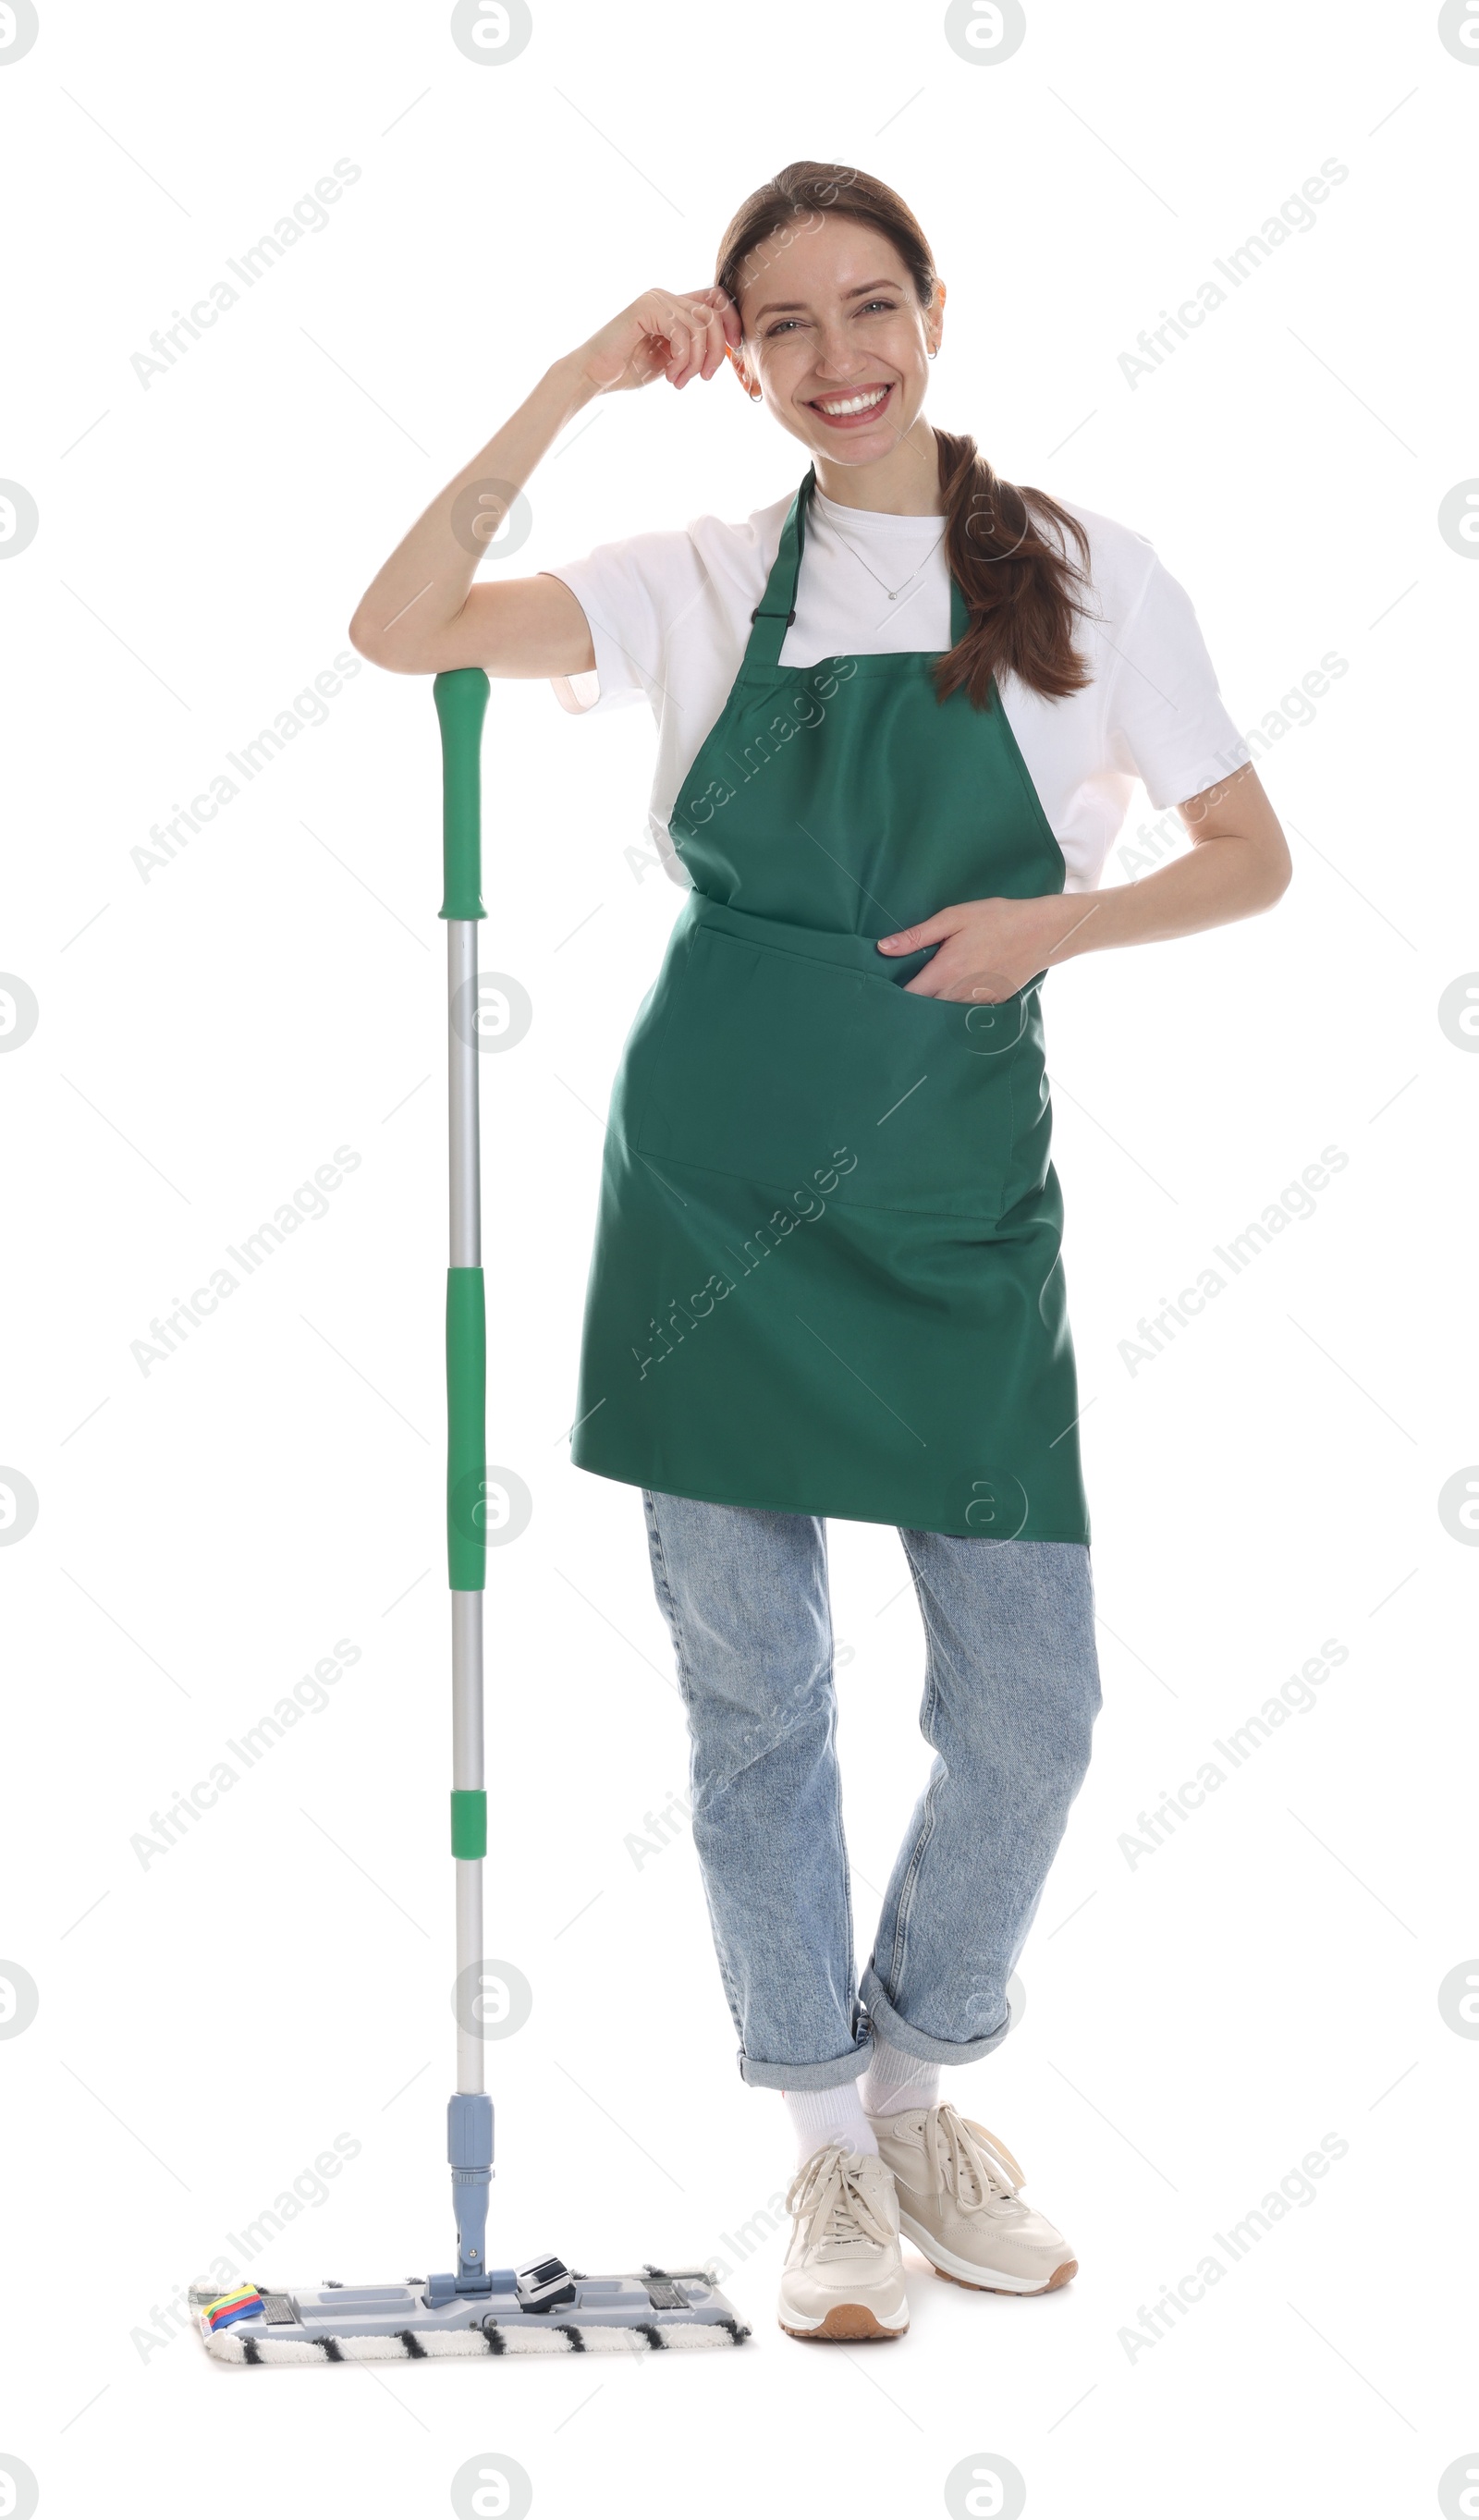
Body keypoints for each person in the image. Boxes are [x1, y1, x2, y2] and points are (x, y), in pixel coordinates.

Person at [350, 162, 1290, 2345]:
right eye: (784, 327)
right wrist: (576, 379)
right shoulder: (691, 578)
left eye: (872, 309)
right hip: (708, 1191)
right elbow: (403, 628)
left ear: (936, 312)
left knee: (1032, 1711)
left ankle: (910, 2082)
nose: (837, 360)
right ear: (740, 353)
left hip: (959, 1201)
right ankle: (820, 2166)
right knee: (755, 1694)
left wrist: (1063, 920)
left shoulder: (1084, 574)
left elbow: (1247, 857)